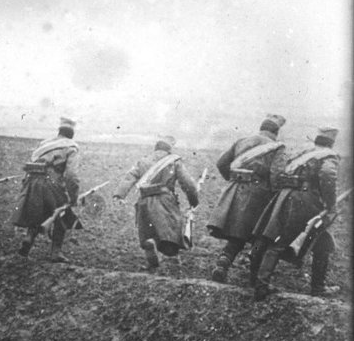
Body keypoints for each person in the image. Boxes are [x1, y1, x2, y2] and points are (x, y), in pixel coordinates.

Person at [250, 127, 341, 300]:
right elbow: (328, 176)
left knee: (322, 242)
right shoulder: (328, 156)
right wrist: (331, 205)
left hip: (286, 196)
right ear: (332, 143)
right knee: (282, 241)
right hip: (306, 203)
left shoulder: (305, 153)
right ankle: (262, 286)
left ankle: (317, 287)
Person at [206, 114, 287, 284]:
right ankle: (252, 277)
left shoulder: (242, 140)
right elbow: (276, 175)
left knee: (237, 232)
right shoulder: (277, 147)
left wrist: (233, 179)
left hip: (235, 190)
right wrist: (275, 196)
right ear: (276, 131)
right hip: (258, 194)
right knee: (258, 236)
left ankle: (224, 262)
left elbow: (222, 163)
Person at [113, 135, 199, 270]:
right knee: (172, 228)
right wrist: (193, 201)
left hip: (144, 200)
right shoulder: (174, 161)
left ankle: (150, 242)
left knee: (149, 229)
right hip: (165, 200)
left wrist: (119, 195)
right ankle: (170, 255)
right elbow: (188, 184)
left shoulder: (143, 160)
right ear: (170, 149)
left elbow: (129, 177)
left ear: (156, 147)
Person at [12, 117, 80, 263]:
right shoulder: (71, 147)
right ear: (72, 133)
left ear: (59, 131)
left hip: (33, 181)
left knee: (37, 211)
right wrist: (73, 198)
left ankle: (28, 239)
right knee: (62, 213)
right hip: (52, 183)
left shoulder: (45, 143)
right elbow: (71, 176)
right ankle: (56, 252)